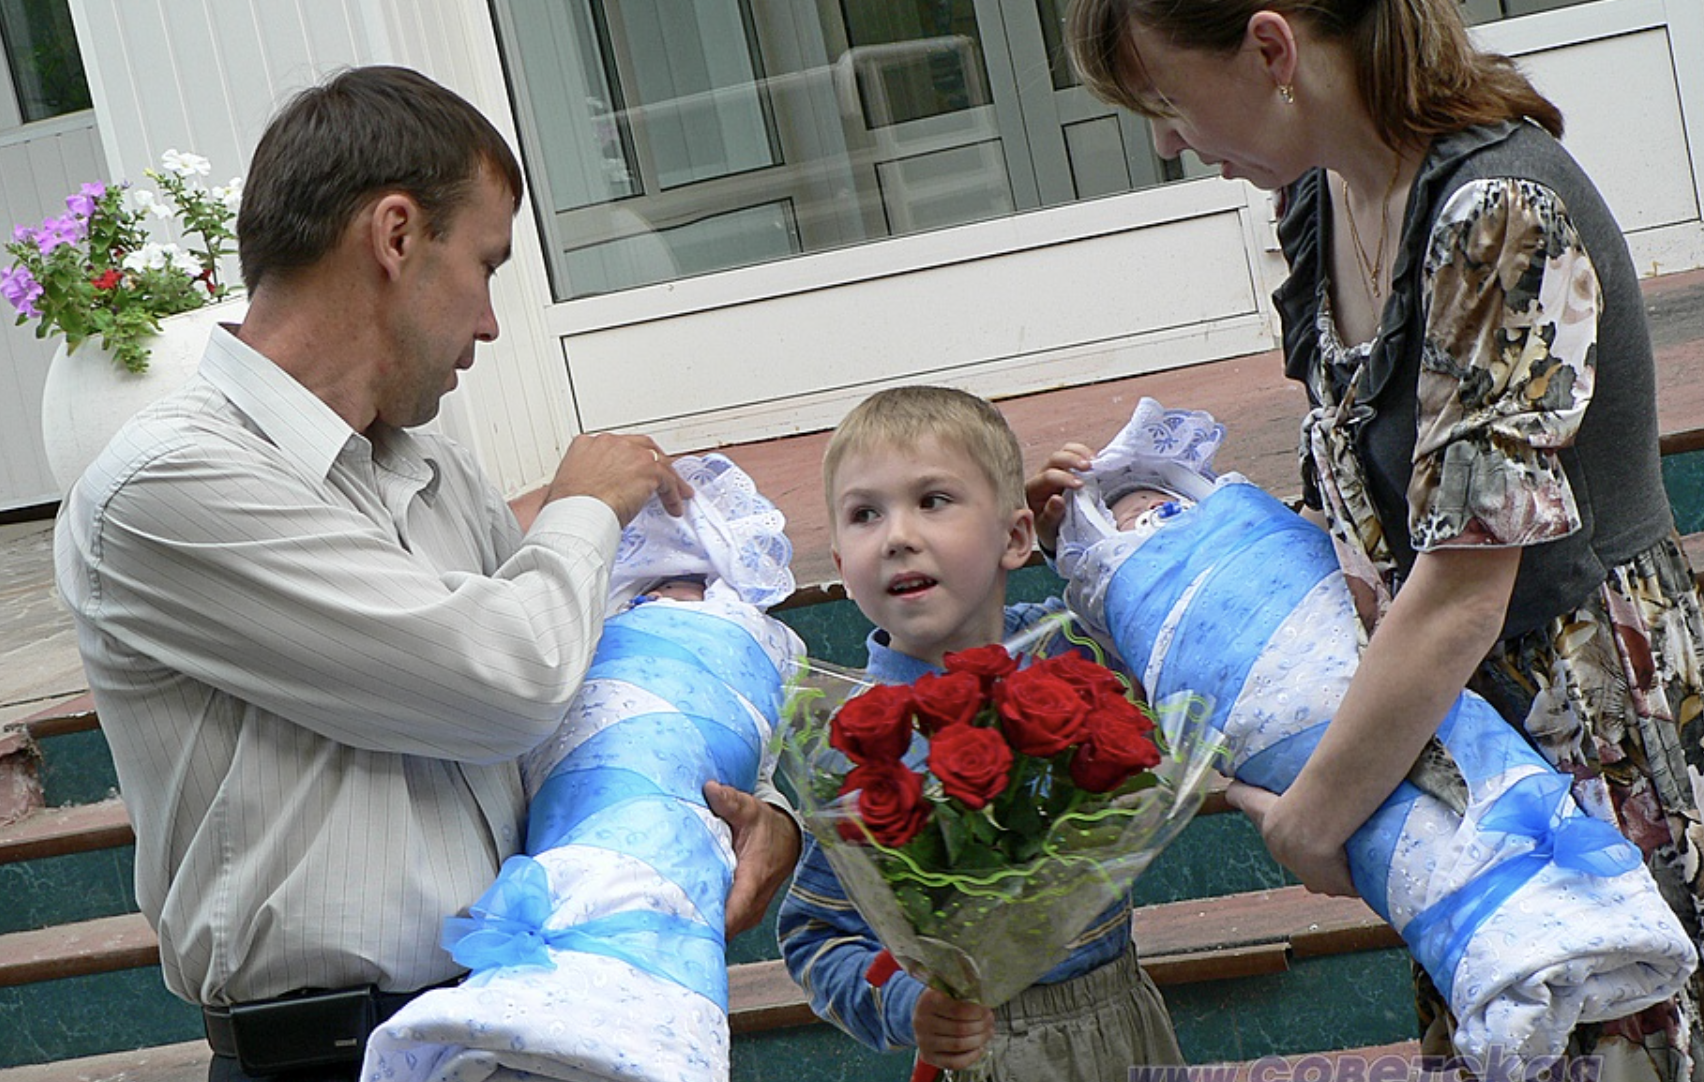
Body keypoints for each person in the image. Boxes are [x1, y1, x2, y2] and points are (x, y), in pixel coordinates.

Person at [53, 65, 798, 1082]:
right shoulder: (166, 486)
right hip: (329, 1057)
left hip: (525, 1012)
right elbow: (504, 679)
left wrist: (756, 808)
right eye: (486, 264)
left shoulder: (428, 459)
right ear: (396, 235)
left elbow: (567, 699)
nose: (491, 323)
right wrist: (584, 502)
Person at [1063, 0, 1704, 1072]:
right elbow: (1366, 518)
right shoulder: (1323, 199)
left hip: (1583, 717)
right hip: (1445, 723)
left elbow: (1464, 589)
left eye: (1167, 100)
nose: (1166, 140)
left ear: (1272, 48)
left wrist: (1314, 817)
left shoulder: (1499, 206)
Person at [777, 385, 1184, 1080]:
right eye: (864, 514)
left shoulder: (1070, 648)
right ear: (842, 570)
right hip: (985, 1050)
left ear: (1014, 536)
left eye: (933, 501)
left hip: (1124, 1019)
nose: (898, 535)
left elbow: (1155, 632)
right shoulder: (855, 745)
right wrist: (909, 1006)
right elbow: (815, 935)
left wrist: (1073, 541)